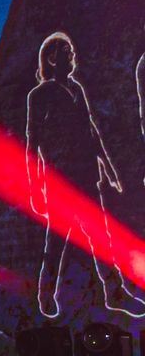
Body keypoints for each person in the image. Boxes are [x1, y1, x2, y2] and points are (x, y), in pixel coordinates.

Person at [26, 33, 145, 318]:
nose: (72, 56)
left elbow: (90, 129)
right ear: (52, 58)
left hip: (86, 176)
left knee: (101, 238)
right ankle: (45, 295)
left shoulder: (76, 88)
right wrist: (34, 187)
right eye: (66, 52)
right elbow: (33, 141)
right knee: (56, 241)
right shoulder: (39, 95)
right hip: (60, 181)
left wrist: (108, 167)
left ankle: (115, 293)